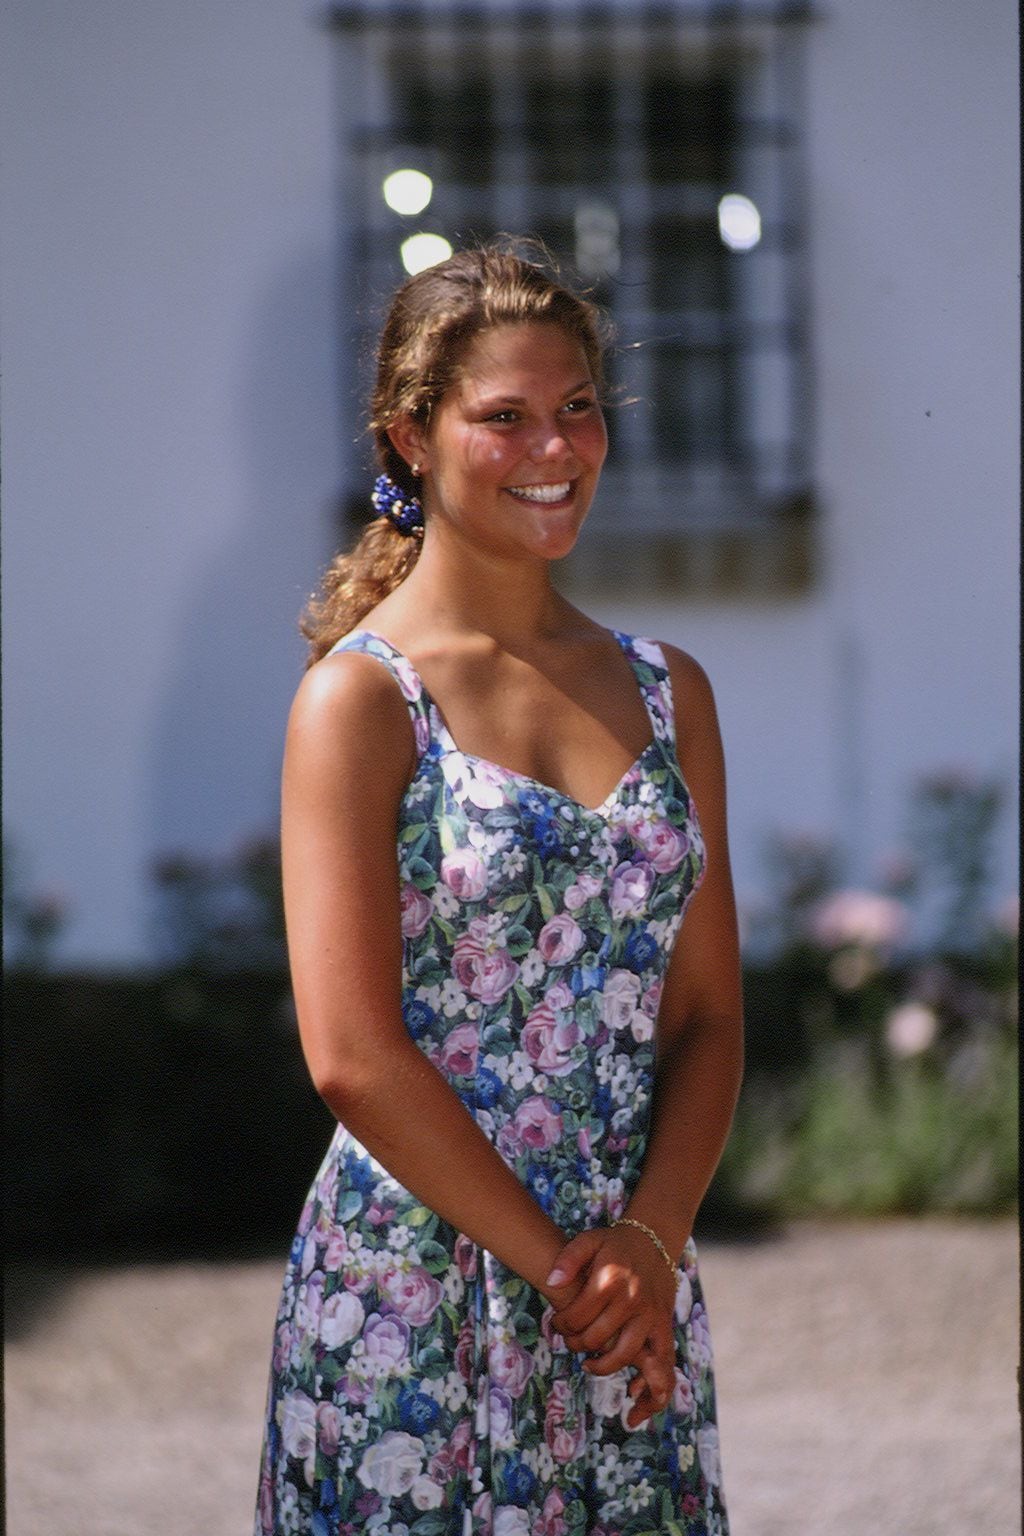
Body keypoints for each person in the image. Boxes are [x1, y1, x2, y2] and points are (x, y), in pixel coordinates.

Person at [254, 244, 743, 1536]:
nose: (556, 446)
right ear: (411, 437)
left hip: (625, 1290)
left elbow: (708, 1017)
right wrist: (569, 1276)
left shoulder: (668, 691)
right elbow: (352, 1053)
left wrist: (647, 1245)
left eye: (577, 406)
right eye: (506, 416)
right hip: (411, 1292)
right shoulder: (357, 704)